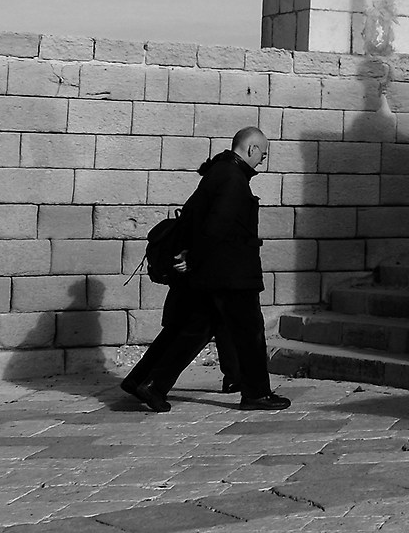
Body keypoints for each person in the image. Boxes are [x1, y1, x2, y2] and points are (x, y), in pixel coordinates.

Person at [120, 126, 290, 412]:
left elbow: (196, 219)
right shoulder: (232, 178)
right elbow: (217, 226)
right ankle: (256, 393)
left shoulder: (218, 172)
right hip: (230, 274)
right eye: (263, 152)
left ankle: (147, 381)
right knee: (250, 332)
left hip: (214, 272)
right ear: (251, 149)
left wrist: (193, 255)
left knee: (191, 329)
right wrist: (194, 257)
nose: (263, 159)